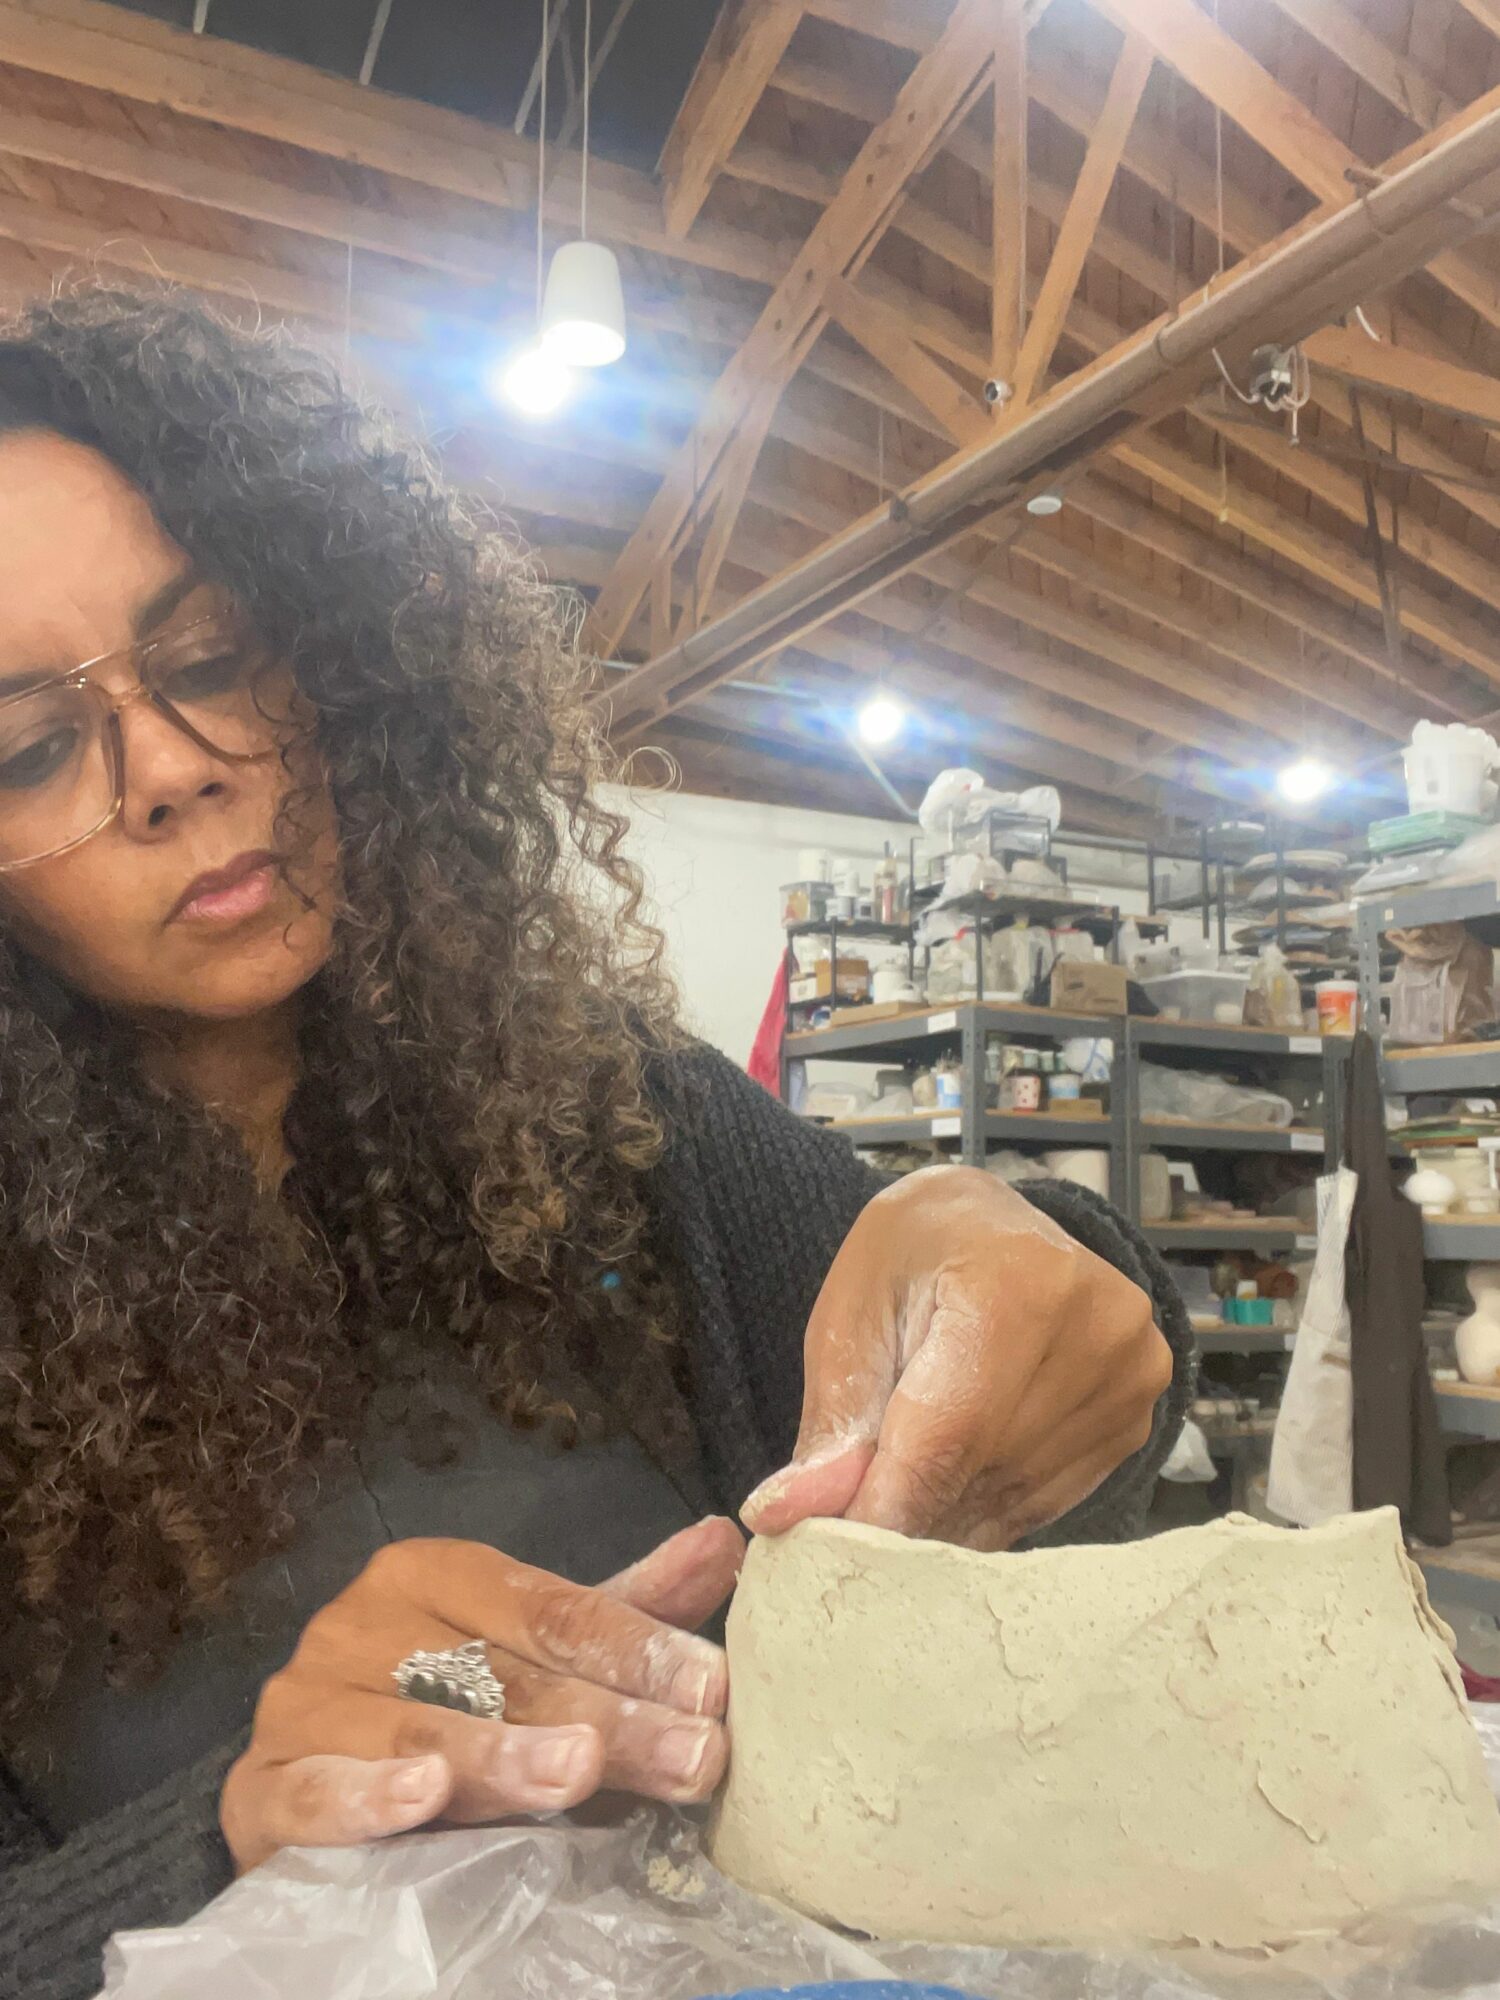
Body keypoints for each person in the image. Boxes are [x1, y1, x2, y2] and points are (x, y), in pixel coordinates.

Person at [0, 288, 1191, 2000]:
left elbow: (1015, 1479)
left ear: (343, 656)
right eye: (37, 747)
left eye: (210, 660)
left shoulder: (603, 1111)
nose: (176, 768)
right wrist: (239, 1825)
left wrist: (1038, 1262)